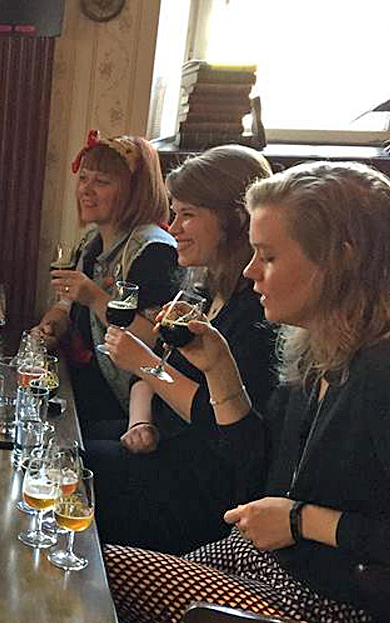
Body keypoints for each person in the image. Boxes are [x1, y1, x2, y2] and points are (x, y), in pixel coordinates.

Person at [104, 161, 390, 623]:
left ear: (340, 258)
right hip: (273, 570)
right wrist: (219, 369)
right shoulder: (321, 346)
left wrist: (304, 521)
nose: (250, 271)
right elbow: (255, 474)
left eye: (267, 256)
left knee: (108, 578)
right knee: (104, 609)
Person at [90, 145, 278, 553]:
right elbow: (153, 372)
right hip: (163, 442)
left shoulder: (256, 313)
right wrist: (140, 422)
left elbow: (224, 428)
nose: (173, 227)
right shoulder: (204, 291)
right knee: (65, 441)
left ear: (235, 221)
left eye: (187, 215)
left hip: (200, 489)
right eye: (173, 213)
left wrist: (145, 365)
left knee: (77, 468)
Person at [35, 130, 182, 430]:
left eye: (101, 182)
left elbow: (157, 341)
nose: (86, 190)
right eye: (83, 178)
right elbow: (64, 307)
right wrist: (50, 329)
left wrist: (95, 297)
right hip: (79, 389)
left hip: (129, 413)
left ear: (135, 191)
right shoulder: (92, 242)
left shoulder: (154, 251)